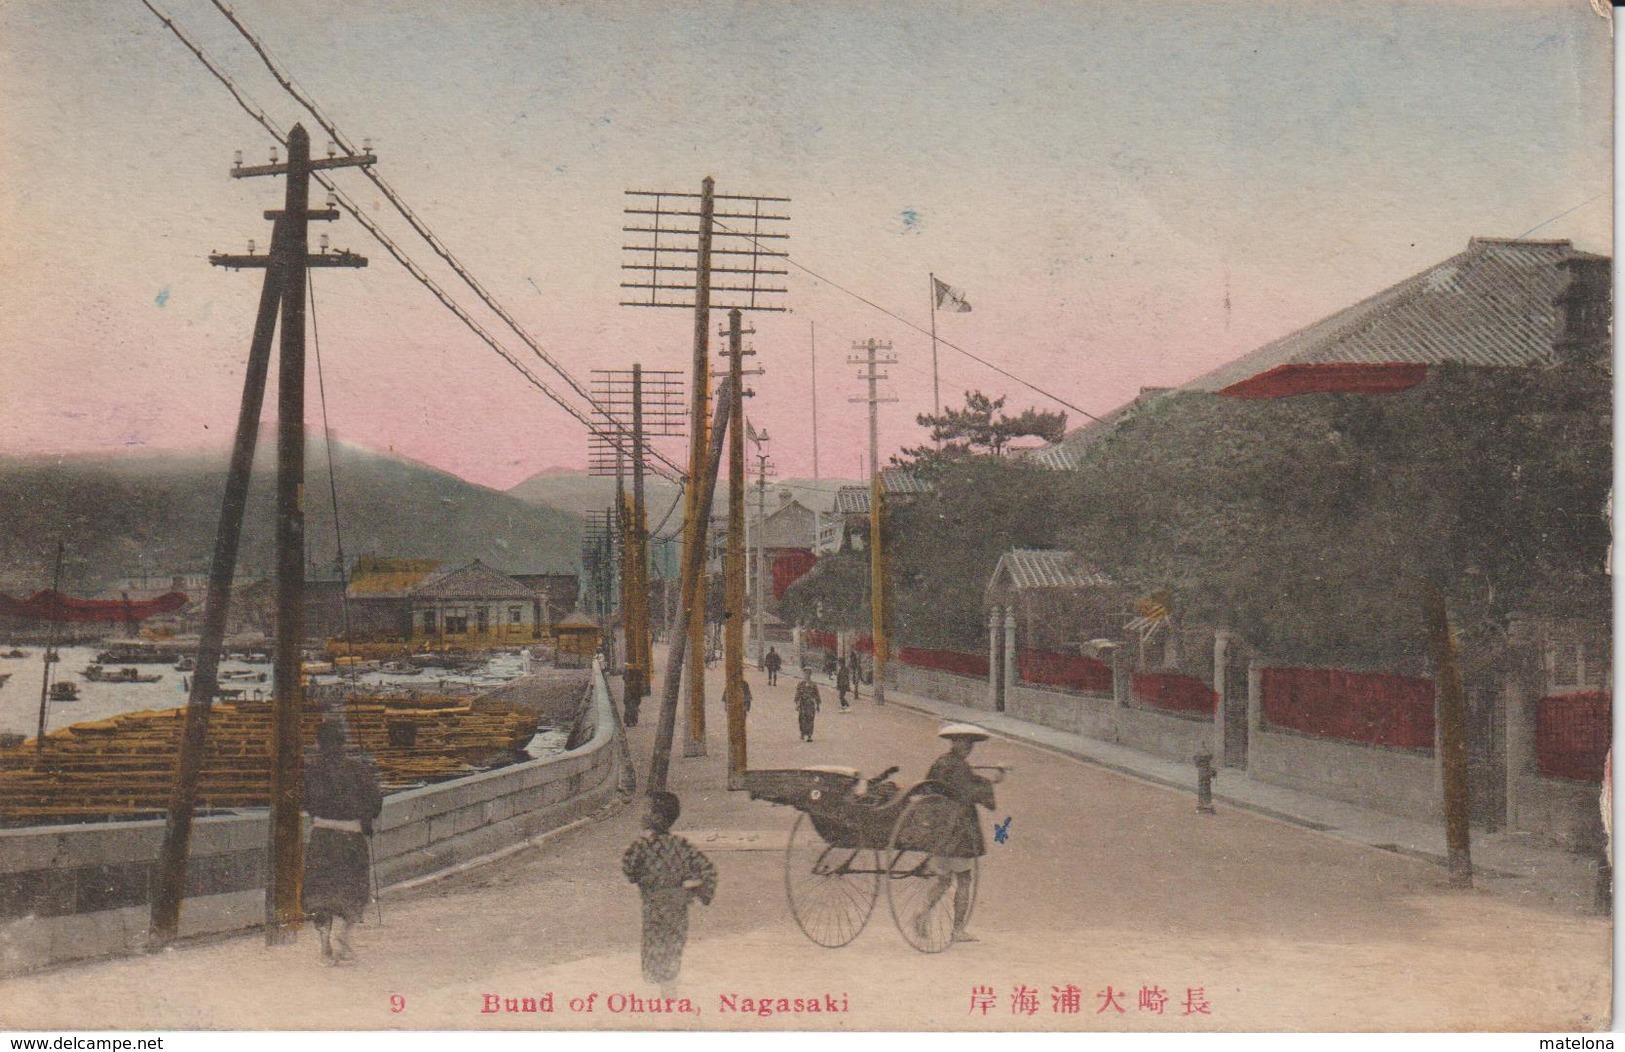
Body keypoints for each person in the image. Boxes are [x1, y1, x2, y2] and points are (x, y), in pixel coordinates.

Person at [302, 720, 383, 965]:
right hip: (351, 834)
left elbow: (305, 802)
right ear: (343, 742)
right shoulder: (358, 769)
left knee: (319, 891)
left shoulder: (311, 771)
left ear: (318, 743)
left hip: (322, 834)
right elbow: (375, 801)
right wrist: (366, 820)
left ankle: (324, 942)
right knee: (353, 888)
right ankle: (344, 934)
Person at [621, 791, 717, 997]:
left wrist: (640, 878)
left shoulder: (641, 846)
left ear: (655, 817)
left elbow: (629, 868)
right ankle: (669, 989)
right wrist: (698, 891)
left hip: (654, 905)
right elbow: (706, 868)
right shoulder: (681, 845)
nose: (640, 813)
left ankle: (661, 991)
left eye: (644, 809)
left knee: (655, 944)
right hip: (677, 905)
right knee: (673, 945)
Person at [919, 723, 998, 943]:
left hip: (939, 829)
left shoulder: (941, 763)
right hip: (958, 830)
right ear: (957, 743)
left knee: (944, 880)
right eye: (965, 743)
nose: (968, 748)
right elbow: (968, 792)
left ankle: (922, 915)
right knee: (964, 879)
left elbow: (931, 788)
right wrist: (991, 783)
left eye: (969, 744)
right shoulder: (959, 767)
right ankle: (958, 930)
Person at [793, 667, 821, 742]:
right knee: (802, 719)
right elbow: (797, 695)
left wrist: (818, 705)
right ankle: (802, 732)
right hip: (803, 704)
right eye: (805, 673)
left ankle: (809, 735)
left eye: (808, 673)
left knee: (810, 719)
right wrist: (797, 704)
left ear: (810, 674)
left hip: (810, 704)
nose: (807, 675)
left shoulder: (813, 685)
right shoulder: (801, 684)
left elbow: (817, 695)